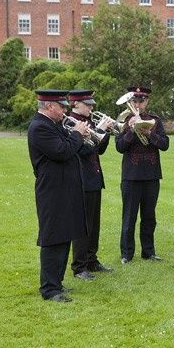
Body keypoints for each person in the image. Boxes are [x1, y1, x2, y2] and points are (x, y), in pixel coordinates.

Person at [27, 89, 90, 302]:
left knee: (64, 235)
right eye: (61, 106)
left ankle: (57, 282)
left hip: (64, 189)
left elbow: (73, 149)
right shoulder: (39, 127)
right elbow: (62, 151)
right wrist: (78, 134)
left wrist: (82, 136)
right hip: (52, 191)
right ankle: (50, 289)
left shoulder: (53, 125)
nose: (65, 110)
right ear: (49, 106)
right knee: (53, 237)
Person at [115, 86, 169, 264]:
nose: (138, 104)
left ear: (147, 102)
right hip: (131, 175)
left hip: (151, 175)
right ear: (130, 102)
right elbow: (120, 147)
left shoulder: (155, 120)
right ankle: (126, 254)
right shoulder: (124, 120)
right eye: (135, 101)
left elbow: (165, 144)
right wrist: (130, 130)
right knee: (129, 216)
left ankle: (149, 252)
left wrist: (149, 133)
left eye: (141, 101)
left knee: (149, 217)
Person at [67, 89, 114, 281]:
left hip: (94, 177)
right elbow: (84, 151)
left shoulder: (90, 122)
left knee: (94, 224)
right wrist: (100, 131)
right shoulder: (71, 123)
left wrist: (106, 132)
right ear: (75, 104)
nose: (92, 107)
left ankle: (92, 259)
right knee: (82, 225)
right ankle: (79, 266)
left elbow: (99, 150)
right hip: (81, 178)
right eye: (87, 104)